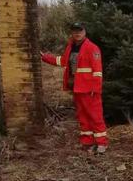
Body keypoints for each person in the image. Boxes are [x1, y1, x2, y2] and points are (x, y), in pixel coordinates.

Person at [41, 22, 108, 153]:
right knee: (82, 116)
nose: (77, 33)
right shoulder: (71, 47)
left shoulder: (92, 48)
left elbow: (98, 71)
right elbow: (63, 61)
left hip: (89, 89)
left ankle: (102, 143)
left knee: (95, 116)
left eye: (80, 30)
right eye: (75, 31)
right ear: (72, 33)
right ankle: (87, 142)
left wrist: (96, 88)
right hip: (76, 88)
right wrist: (45, 58)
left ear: (85, 32)